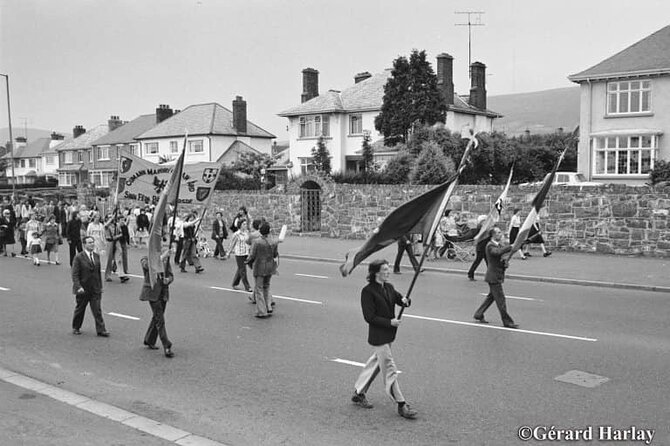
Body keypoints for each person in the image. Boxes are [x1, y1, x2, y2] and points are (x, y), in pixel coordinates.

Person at [351, 259, 417, 419]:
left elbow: (399, 299)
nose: (388, 272)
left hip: (388, 334)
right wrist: (390, 322)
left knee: (376, 364)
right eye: (385, 269)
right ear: (375, 273)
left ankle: (358, 393)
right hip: (378, 335)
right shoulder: (368, 291)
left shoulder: (388, 287)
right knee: (389, 367)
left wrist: (405, 301)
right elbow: (369, 317)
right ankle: (401, 404)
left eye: (388, 269)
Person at [473, 227, 518, 329]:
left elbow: (501, 257)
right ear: (493, 235)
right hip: (493, 277)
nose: (500, 234)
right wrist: (510, 246)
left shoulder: (499, 245)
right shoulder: (490, 245)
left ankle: (478, 314)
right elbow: (496, 253)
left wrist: (505, 263)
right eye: (498, 232)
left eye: (500, 232)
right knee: (501, 300)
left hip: (497, 275)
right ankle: (507, 322)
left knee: (491, 297)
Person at [139, 245, 174, 358]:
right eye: (161, 253)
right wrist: (163, 256)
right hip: (152, 293)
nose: (164, 257)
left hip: (162, 293)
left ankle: (149, 339)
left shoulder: (166, 261)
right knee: (160, 320)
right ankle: (166, 345)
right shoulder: (146, 259)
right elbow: (150, 267)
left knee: (157, 317)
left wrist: (167, 280)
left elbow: (171, 275)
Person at [71, 236, 109, 336]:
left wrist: (100, 287)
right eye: (89, 243)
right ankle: (76, 327)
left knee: (97, 309)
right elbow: (75, 274)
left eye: (92, 242)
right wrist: (78, 286)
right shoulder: (79, 257)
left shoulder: (96, 256)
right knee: (80, 309)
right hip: (83, 288)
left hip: (94, 288)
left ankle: (101, 330)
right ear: (84, 245)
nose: (92, 244)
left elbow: (98, 272)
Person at [246, 222, 278, 318]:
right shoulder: (273, 241)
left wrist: (247, 261)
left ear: (260, 231)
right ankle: (268, 307)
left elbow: (252, 255)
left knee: (259, 288)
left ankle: (261, 311)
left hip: (259, 266)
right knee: (266, 287)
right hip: (270, 266)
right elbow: (275, 254)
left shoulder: (256, 242)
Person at [104, 214, 130, 283]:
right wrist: (112, 218)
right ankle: (107, 275)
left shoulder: (117, 225)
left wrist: (117, 236)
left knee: (119, 258)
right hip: (110, 242)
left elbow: (121, 233)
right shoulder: (107, 226)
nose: (112, 219)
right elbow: (106, 225)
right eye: (109, 218)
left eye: (112, 218)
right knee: (109, 260)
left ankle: (121, 275)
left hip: (117, 241)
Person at [228, 219, 252, 293]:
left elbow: (249, 242)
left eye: (245, 224)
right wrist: (228, 252)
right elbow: (232, 244)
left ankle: (235, 283)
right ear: (240, 225)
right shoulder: (236, 234)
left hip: (246, 253)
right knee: (243, 270)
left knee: (240, 269)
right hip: (239, 254)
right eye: (243, 224)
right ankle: (247, 287)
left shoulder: (247, 233)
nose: (245, 225)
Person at [467, 216, 490, 281]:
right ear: (481, 222)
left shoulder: (486, 229)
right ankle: (470, 274)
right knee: (477, 262)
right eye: (484, 221)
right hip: (481, 248)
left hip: (486, 247)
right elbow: (474, 236)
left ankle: (491, 275)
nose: (486, 222)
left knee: (489, 262)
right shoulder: (479, 229)